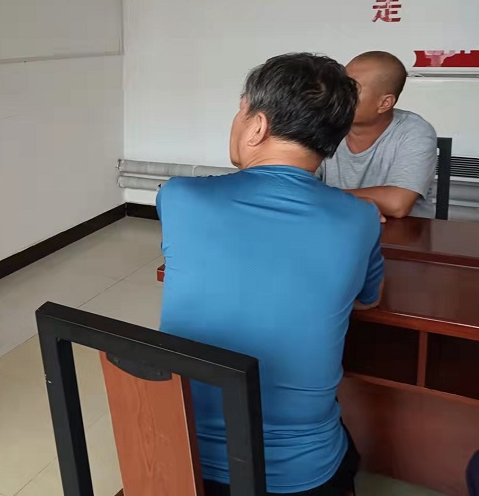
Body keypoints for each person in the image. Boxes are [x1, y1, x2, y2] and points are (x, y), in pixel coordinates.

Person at [158, 53, 385, 496]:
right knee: (344, 451)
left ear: (257, 126)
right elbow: (368, 300)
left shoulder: (180, 197)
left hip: (182, 458)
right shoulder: (360, 219)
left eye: (240, 111)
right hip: (302, 476)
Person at [320, 51, 437, 219]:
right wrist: (362, 202)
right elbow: (294, 189)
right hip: (338, 224)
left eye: (351, 89)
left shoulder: (415, 131)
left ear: (384, 103)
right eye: (339, 86)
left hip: (403, 232)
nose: (337, 95)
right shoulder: (324, 125)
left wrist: (322, 196)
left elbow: (398, 204)